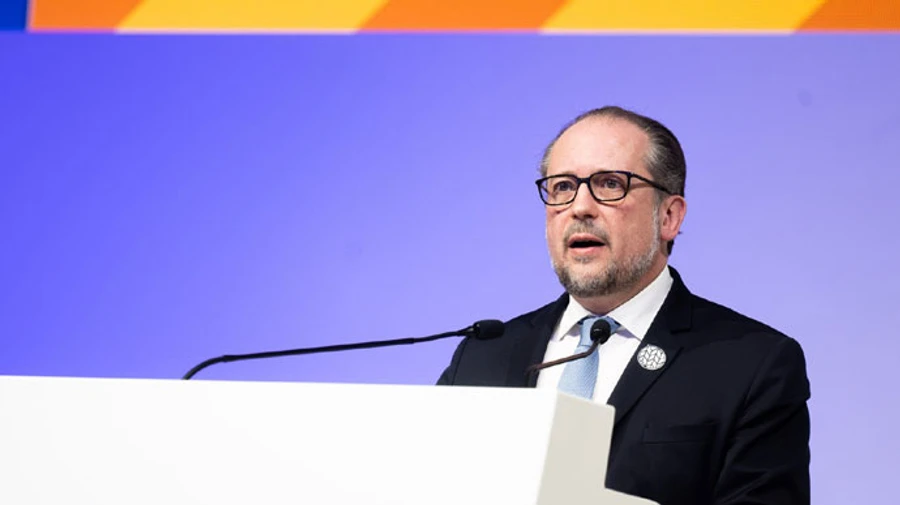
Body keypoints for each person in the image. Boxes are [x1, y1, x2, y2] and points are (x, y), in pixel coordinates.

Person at [437, 106, 810, 505]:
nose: (579, 207)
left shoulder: (752, 365)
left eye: (610, 184)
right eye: (562, 187)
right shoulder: (481, 357)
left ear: (669, 217)